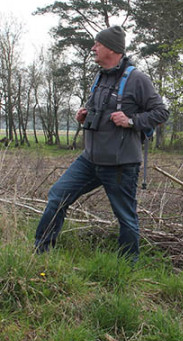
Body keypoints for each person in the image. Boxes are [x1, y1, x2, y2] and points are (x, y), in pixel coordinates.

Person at [34, 25, 169, 260]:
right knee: (57, 196)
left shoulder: (137, 79)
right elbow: (98, 110)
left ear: (112, 49)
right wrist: (84, 115)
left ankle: (127, 267)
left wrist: (131, 120)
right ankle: (41, 252)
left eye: (98, 44)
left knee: (125, 217)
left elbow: (161, 112)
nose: (93, 48)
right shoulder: (99, 77)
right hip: (90, 159)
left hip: (120, 164)